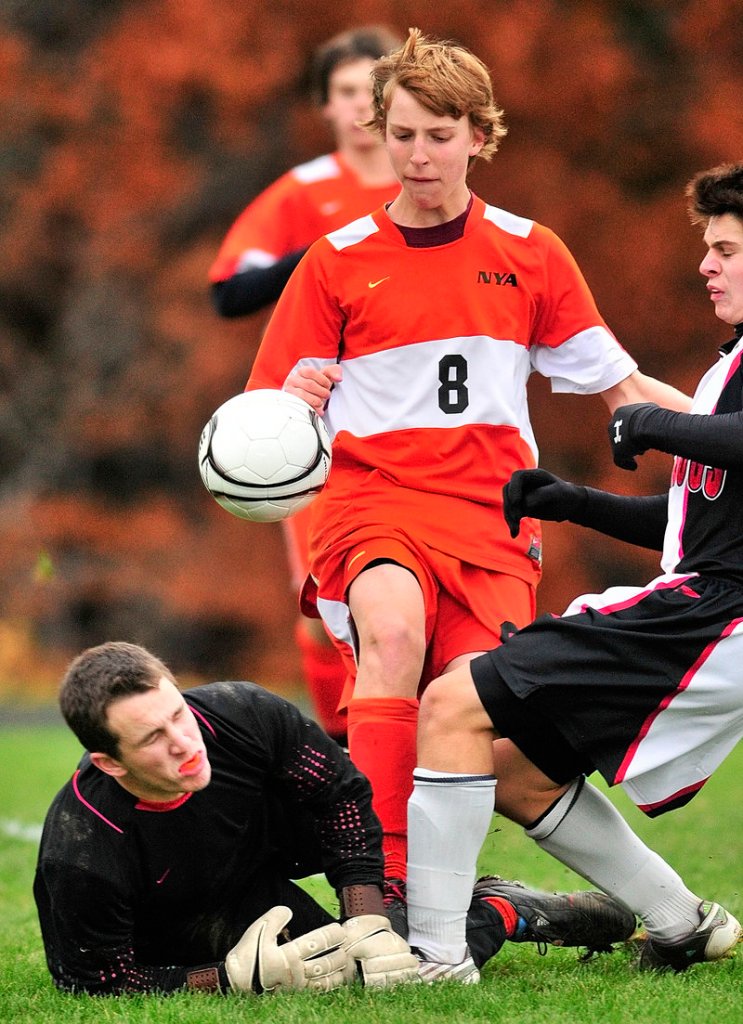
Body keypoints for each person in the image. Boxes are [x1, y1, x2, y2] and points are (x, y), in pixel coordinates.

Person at [244, 28, 691, 908]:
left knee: (468, 724)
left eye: (438, 136)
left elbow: (624, 390)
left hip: (489, 523)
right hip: (371, 504)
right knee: (394, 637)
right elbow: (261, 425)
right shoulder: (333, 262)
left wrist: (725, 432)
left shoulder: (531, 252)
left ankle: (539, 911)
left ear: (480, 137)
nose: (417, 156)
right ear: (379, 130)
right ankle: (377, 900)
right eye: (401, 134)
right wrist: (295, 398)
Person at [405, 160, 743, 979]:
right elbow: (693, 522)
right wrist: (572, 501)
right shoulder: (730, 365)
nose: (706, 264)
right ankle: (683, 925)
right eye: (709, 248)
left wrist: (650, 419)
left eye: (727, 249)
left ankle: (435, 959)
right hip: (704, 606)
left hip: (713, 616)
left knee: (452, 705)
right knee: (515, 773)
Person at [33, 641, 633, 994]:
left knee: (385, 948)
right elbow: (97, 982)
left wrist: (365, 916)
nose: (185, 743)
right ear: (109, 763)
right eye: (153, 739)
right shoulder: (81, 853)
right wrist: (225, 979)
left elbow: (342, 798)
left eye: (177, 715)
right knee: (353, 978)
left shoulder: (244, 714)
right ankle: (504, 910)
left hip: (278, 843)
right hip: (194, 914)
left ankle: (417, 908)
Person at [209, 26, 403, 747]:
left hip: (409, 423)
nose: (359, 107)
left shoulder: (430, 186)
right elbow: (229, 291)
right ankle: (341, 757)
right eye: (345, 91)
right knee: (324, 610)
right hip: (317, 424)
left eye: (371, 91)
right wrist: (321, 252)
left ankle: (412, 751)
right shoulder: (308, 191)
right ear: (323, 104)